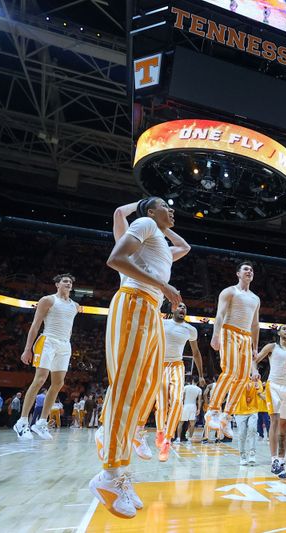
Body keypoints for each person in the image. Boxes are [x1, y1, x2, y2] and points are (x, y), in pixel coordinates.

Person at [88, 197, 186, 519]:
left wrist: (165, 226)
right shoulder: (144, 224)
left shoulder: (159, 240)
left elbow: (184, 247)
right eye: (165, 207)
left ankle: (118, 461)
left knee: (147, 388)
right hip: (134, 302)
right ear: (151, 211)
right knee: (128, 386)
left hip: (151, 310)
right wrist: (143, 205)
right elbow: (115, 259)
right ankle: (109, 477)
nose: (172, 211)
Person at [14, 274, 81, 440]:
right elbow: (36, 325)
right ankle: (22, 422)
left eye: (70, 282)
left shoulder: (75, 306)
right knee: (40, 379)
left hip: (65, 344)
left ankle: (41, 422)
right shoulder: (48, 300)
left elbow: (70, 328)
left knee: (58, 383)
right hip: (48, 341)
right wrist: (27, 349)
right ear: (57, 284)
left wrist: (68, 344)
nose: (68, 283)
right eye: (65, 281)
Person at [206, 262, 261, 441]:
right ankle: (212, 410)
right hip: (229, 331)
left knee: (244, 378)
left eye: (251, 270)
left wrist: (255, 347)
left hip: (246, 337)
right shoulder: (229, 291)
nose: (249, 271)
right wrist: (216, 336)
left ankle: (226, 416)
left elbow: (255, 325)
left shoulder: (255, 298)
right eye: (246, 269)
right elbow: (220, 315)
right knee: (230, 371)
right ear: (238, 273)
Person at [253, 325, 286, 479]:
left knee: (284, 426)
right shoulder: (272, 347)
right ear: (278, 332)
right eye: (284, 329)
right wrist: (254, 371)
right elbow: (254, 360)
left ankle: (281, 461)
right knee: (274, 421)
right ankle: (273, 459)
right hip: (273, 385)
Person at [155, 302, 204, 461]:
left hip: (177, 365)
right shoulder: (162, 323)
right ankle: (160, 431)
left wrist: (201, 374)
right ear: (172, 309)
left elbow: (196, 353)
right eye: (180, 306)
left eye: (185, 307)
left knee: (177, 401)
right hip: (161, 365)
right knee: (161, 405)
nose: (183, 308)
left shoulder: (190, 329)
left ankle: (168, 440)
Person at [234, 376, 263, 466]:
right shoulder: (236, 379)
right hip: (239, 410)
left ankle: (252, 453)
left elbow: (259, 392)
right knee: (241, 434)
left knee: (253, 428)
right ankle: (242, 456)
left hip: (253, 410)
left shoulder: (257, 380)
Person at [179, 376, 203, 442]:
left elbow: (182, 398)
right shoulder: (199, 389)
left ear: (192, 380)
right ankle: (189, 438)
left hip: (185, 406)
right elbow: (199, 401)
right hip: (193, 406)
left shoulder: (186, 387)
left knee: (180, 423)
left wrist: (181, 406)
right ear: (198, 382)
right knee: (192, 424)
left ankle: (178, 439)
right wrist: (199, 409)